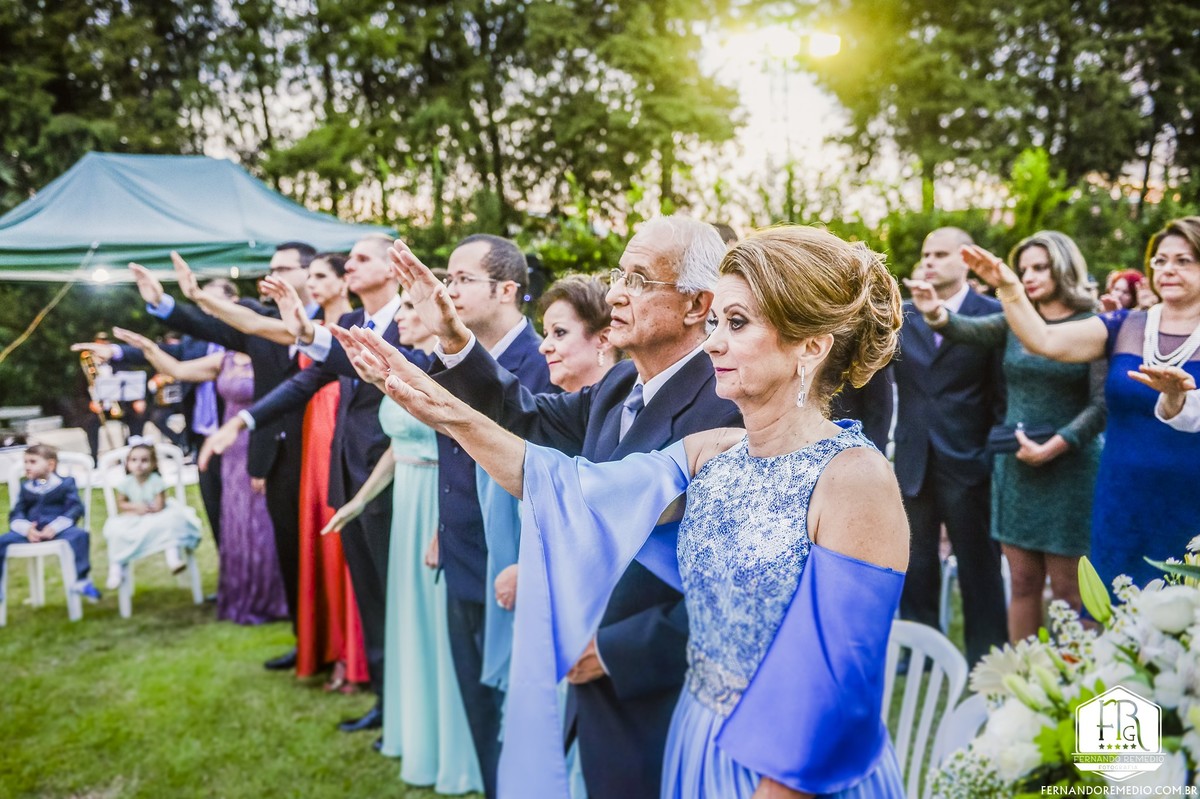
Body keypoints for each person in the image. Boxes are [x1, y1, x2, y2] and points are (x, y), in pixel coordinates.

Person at [344, 223, 909, 799]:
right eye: (717, 323)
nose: (713, 342)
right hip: (697, 741)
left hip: (791, 769)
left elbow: (840, 680)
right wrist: (441, 409)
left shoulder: (856, 479)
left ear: (811, 346)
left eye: (736, 324)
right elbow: (564, 486)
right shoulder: (709, 451)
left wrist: (779, 789)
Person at [389, 216, 740, 799]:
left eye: (639, 279)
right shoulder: (622, 382)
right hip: (591, 673)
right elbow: (525, 417)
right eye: (617, 275)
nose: (616, 293)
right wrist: (454, 339)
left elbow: (741, 587)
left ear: (696, 304)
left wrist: (614, 650)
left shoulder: (726, 404)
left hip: (662, 692)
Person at [964, 216, 1200, 589]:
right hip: (1122, 494)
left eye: (1183, 260)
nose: (1168, 269)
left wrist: (1178, 398)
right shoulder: (1126, 326)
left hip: (1191, 497)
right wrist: (1010, 287)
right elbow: (1043, 340)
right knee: (1115, 613)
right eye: (1160, 260)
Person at [179, 253, 369, 690]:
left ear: (339, 282)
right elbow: (253, 328)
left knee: (342, 548)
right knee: (311, 548)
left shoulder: (356, 322)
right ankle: (320, 643)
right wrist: (191, 300)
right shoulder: (304, 322)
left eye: (320, 274)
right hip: (309, 439)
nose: (311, 282)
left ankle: (354, 654)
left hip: (340, 435)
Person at [908, 231, 1106, 642]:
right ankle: (1023, 687)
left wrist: (1062, 442)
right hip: (1016, 468)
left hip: (1070, 468)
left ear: (1065, 267)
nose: (1029, 276)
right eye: (1024, 269)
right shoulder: (1016, 320)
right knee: (1023, 583)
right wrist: (935, 313)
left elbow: (1102, 404)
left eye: (1040, 267)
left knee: (1069, 591)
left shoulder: (1095, 324)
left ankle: (1073, 683)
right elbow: (968, 329)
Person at [127, 243, 318, 666]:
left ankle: (346, 647)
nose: (273, 275)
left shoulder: (332, 321)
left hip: (325, 454)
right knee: (289, 550)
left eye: (284, 268)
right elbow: (212, 329)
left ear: (312, 272)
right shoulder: (262, 325)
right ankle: (306, 643)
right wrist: (165, 302)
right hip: (276, 455)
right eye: (270, 268)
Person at [324, 291, 483, 793]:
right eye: (405, 311)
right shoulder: (410, 370)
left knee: (440, 627)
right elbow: (398, 444)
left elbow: (465, 450)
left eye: (414, 311)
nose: (406, 320)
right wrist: (358, 501)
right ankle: (417, 735)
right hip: (406, 501)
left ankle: (453, 749)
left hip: (440, 502)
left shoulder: (451, 374)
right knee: (410, 618)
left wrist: (446, 524)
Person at [112, 328, 288, 624]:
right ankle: (242, 592)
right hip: (228, 446)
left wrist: (265, 458)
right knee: (235, 518)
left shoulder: (269, 356)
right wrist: (147, 348)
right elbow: (177, 368)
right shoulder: (223, 359)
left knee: (262, 521)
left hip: (257, 439)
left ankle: (275, 595)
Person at [891, 227, 1008, 669]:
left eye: (940, 254)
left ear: (965, 260)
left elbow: (1002, 395)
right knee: (915, 562)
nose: (929, 262)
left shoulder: (992, 313)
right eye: (925, 254)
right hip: (914, 457)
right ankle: (919, 654)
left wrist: (989, 456)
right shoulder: (901, 316)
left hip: (969, 460)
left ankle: (988, 655)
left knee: (979, 566)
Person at [1, 444, 99, 602]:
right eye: (25, 462)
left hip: (59, 529)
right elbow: (16, 513)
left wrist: (55, 527)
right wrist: (26, 529)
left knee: (80, 536)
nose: (27, 466)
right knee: (2, 541)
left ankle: (81, 579)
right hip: (31, 533)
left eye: (32, 462)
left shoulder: (65, 484)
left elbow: (75, 508)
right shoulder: (26, 487)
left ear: (51, 465)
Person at [101, 442, 203, 590]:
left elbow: (160, 504)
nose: (139, 465)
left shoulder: (156, 481)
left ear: (153, 463)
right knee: (116, 532)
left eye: (144, 460)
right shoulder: (126, 483)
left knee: (171, 523)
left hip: (156, 515)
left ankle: (173, 558)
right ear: (127, 463)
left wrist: (149, 508)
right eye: (134, 460)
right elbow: (121, 504)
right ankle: (116, 570)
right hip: (136, 517)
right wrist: (136, 507)